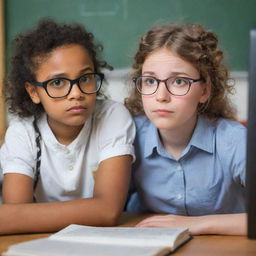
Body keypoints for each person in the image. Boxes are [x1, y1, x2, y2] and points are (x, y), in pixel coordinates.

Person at [0, 19, 135, 234]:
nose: (76, 93)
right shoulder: (23, 132)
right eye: (57, 82)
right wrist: (94, 211)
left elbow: (108, 211)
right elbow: (12, 218)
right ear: (33, 92)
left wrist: (24, 217)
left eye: (85, 78)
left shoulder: (112, 116)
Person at [125, 24, 247, 235]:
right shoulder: (129, 135)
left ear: (205, 90)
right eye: (150, 81)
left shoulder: (235, 141)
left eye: (179, 81)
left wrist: (196, 224)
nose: (161, 96)